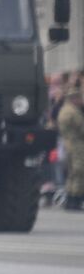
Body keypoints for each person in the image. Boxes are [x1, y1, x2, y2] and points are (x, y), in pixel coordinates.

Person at [57, 81, 84, 210]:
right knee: (79, 172)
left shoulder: (63, 110)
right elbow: (81, 129)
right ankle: (75, 199)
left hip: (67, 143)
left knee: (71, 173)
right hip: (76, 144)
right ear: (74, 98)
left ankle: (70, 199)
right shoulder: (73, 112)